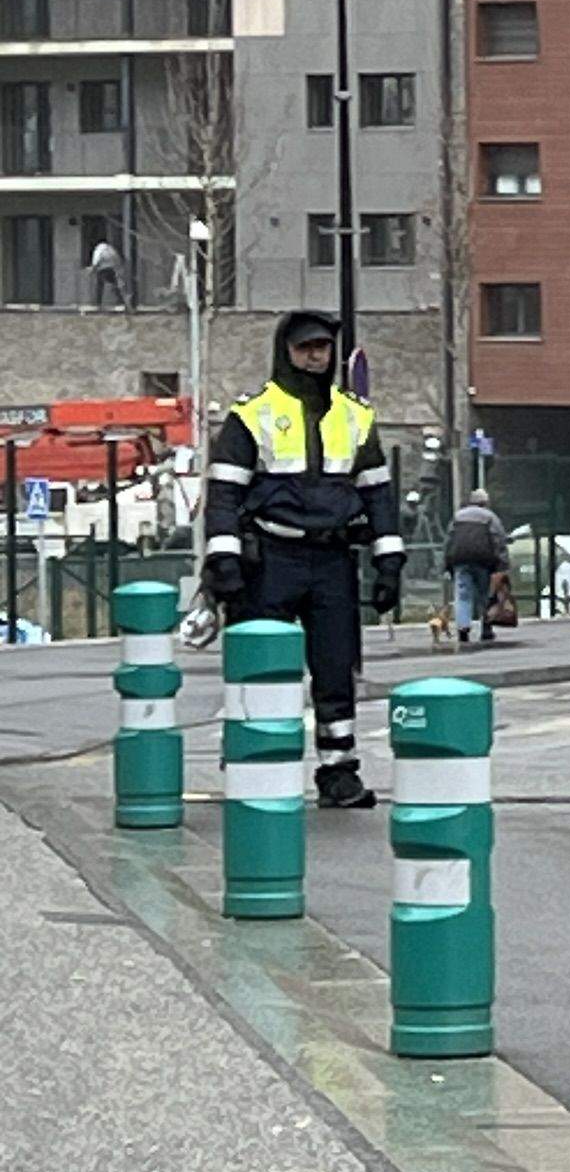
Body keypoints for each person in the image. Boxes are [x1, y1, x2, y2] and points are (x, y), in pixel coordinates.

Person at [199, 310, 404, 808]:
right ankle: (253, 758)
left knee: (336, 669)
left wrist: (389, 562)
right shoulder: (252, 414)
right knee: (263, 666)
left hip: (332, 559)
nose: (316, 355)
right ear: (285, 350)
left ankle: (339, 772)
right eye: (305, 347)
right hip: (271, 557)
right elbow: (224, 494)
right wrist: (223, 558)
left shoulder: (355, 416)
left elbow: (378, 496)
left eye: (323, 347)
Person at [445, 490, 508, 650]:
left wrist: (447, 563)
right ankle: (486, 628)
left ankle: (463, 629)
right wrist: (502, 564)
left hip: (460, 560)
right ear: (485, 502)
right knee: (484, 594)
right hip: (483, 561)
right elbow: (499, 541)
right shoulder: (490, 517)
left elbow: (449, 541)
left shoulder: (458, 517)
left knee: (462, 595)